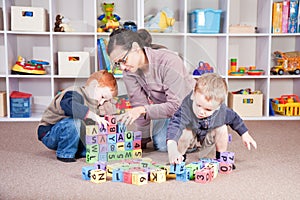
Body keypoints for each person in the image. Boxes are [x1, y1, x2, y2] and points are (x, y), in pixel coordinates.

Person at [107, 28, 196, 151]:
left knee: (166, 144)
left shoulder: (169, 61)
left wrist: (142, 110)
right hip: (166, 109)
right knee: (159, 142)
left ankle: (199, 130)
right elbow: (138, 103)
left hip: (188, 108)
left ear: (136, 48)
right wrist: (141, 139)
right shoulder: (129, 72)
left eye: (123, 60)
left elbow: (176, 106)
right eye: (117, 63)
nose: (122, 67)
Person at [167, 73, 257, 165]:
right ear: (193, 95)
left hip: (208, 136)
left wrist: (245, 134)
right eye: (198, 105)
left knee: (222, 128)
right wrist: (172, 147)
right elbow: (176, 125)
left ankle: (221, 157)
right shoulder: (187, 106)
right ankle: (178, 158)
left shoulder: (222, 111)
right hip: (191, 137)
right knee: (184, 131)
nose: (201, 111)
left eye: (208, 109)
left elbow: (234, 119)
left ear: (218, 107)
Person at [37, 70, 118, 162]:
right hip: (50, 132)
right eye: (103, 97)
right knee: (74, 122)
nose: (102, 102)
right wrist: (93, 115)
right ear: (93, 86)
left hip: (76, 135)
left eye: (106, 100)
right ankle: (65, 153)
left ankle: (78, 150)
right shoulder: (75, 92)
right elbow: (69, 105)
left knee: (94, 136)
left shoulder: (97, 104)